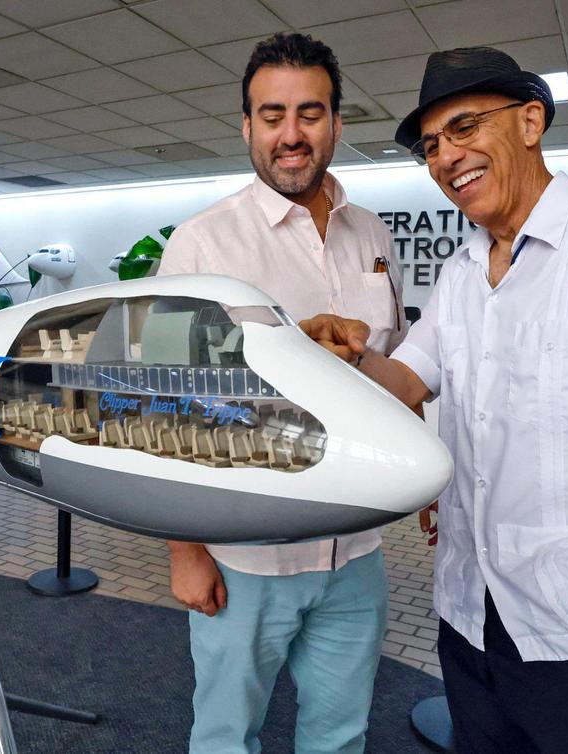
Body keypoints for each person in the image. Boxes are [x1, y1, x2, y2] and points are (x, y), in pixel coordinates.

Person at [300, 46, 568, 753]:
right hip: (469, 622)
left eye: (464, 128)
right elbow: (404, 382)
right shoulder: (462, 275)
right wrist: (345, 352)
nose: (445, 157)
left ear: (530, 122)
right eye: (431, 146)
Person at [157, 32, 408, 754]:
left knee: (341, 734)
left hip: (356, 551)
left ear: (336, 122)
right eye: (272, 116)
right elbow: (168, 404)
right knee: (227, 737)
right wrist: (185, 550)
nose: (291, 135)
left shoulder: (372, 234)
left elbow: (388, 368)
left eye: (309, 113)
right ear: (247, 126)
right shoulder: (203, 244)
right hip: (248, 556)